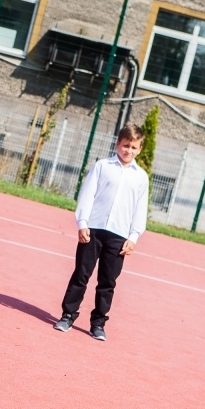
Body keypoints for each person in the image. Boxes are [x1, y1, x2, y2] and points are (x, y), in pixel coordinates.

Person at [53, 122, 149, 341]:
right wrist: (82, 223)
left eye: (134, 147)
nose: (128, 151)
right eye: (125, 145)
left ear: (140, 149)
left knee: (108, 282)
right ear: (118, 144)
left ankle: (98, 323)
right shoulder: (102, 166)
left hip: (119, 236)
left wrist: (133, 237)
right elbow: (87, 195)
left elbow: (140, 210)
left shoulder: (141, 177)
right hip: (93, 230)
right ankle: (68, 315)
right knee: (81, 274)